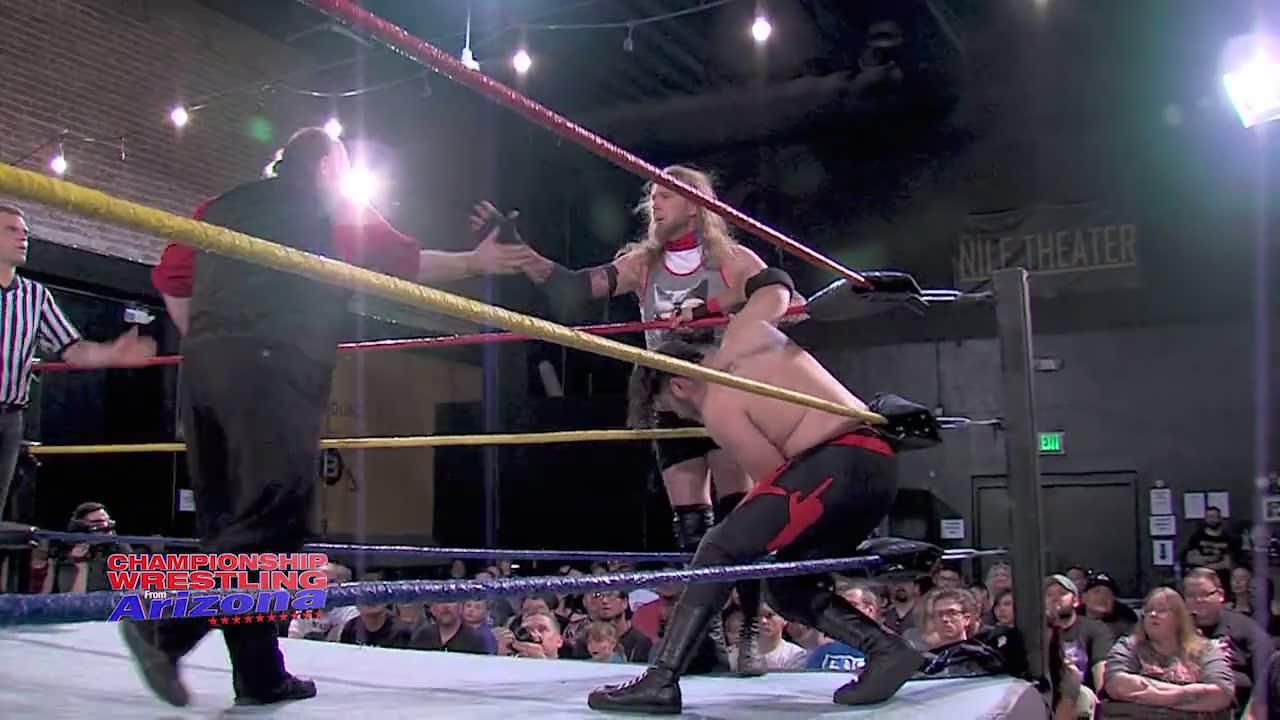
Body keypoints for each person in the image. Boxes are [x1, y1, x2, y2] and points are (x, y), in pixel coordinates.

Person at [121, 127, 533, 709]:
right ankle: (163, 625)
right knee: (277, 513)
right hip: (273, 367)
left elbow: (169, 277)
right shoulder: (334, 205)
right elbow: (406, 262)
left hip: (206, 374)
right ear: (326, 169)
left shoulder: (218, 206)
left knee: (232, 524)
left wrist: (210, 340)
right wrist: (477, 260)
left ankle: (259, 673)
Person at [475, 166, 801, 673]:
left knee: (739, 519)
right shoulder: (642, 264)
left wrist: (718, 309)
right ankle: (708, 637)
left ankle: (751, 630)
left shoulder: (732, 260)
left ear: (695, 203)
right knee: (692, 525)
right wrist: (521, 253)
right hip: (669, 401)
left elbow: (783, 298)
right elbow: (574, 288)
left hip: (724, 400)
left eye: (667, 194)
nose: (655, 203)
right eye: (653, 194)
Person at [587, 289, 926, 714]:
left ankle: (661, 679)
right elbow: (775, 284)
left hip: (832, 467)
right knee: (787, 585)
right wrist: (709, 308)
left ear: (679, 383)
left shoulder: (717, 404)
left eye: (671, 407)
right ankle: (887, 650)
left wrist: (742, 543)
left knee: (718, 546)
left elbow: (774, 476)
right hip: (877, 465)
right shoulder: (747, 330)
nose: (685, 417)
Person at [0, 204, 156, 519]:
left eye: (25, 232)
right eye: (11, 230)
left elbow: (71, 349)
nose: (22, 238)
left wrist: (113, 353)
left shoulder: (35, 296)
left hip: (10, 417)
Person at [1101, 587, 1235, 718]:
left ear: (1179, 618)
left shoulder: (1207, 649)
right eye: (1148, 610)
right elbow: (1117, 685)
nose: (1153, 614)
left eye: (1162, 610)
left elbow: (1220, 695)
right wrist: (1186, 696)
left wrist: (1155, 695)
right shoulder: (1129, 646)